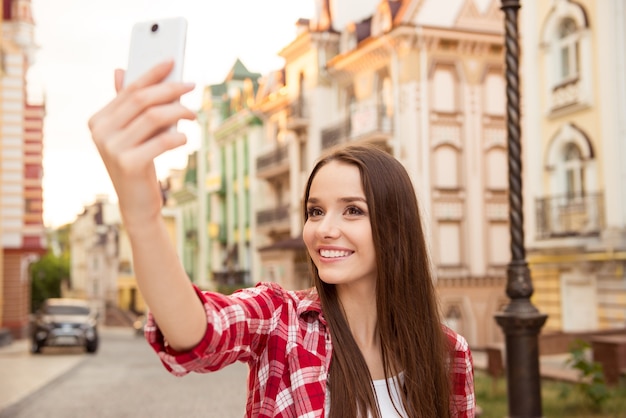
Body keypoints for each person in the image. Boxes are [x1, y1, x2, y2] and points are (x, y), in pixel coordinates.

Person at [88, 61, 475, 417]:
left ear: (396, 226)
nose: (324, 229)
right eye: (315, 211)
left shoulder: (447, 354)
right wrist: (142, 215)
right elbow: (197, 331)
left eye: (353, 210)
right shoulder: (281, 320)